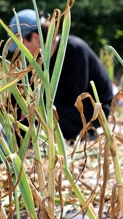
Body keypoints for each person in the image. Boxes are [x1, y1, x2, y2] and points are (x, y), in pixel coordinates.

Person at [7, 9, 114, 141]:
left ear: (35, 38)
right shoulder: (38, 57)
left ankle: (81, 135)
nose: (21, 51)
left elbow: (74, 94)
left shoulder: (75, 49)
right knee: (22, 112)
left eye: (22, 45)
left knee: (37, 113)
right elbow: (23, 89)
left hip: (89, 110)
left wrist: (34, 104)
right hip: (60, 105)